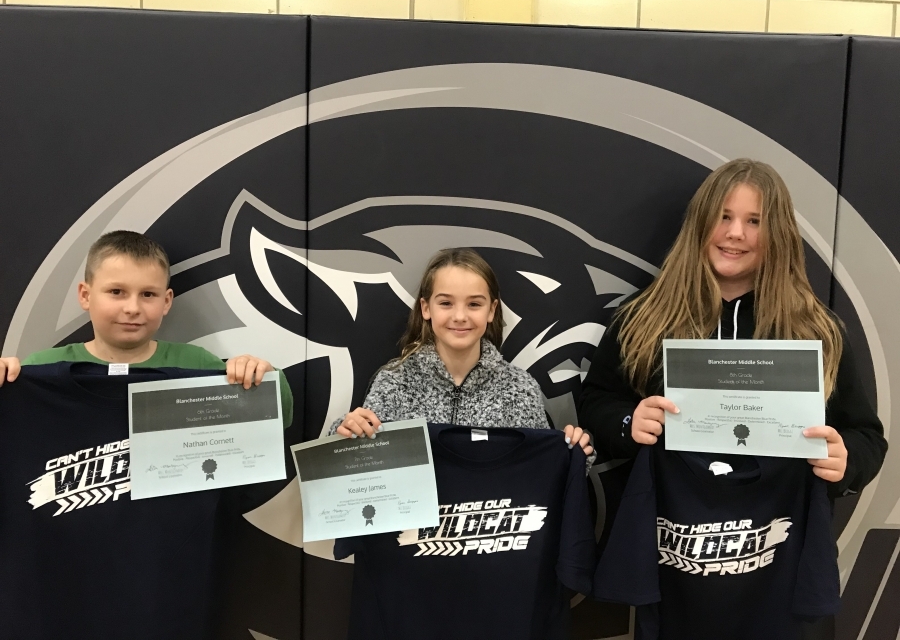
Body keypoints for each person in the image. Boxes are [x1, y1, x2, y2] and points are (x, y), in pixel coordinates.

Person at [578, 159, 886, 497]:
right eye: (724, 216)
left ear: (778, 234)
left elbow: (866, 436)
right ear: (700, 223)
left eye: (754, 221)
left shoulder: (815, 329)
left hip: (778, 533)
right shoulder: (642, 317)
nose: (735, 233)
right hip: (663, 531)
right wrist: (628, 423)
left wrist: (846, 460)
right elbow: (596, 401)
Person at [0, 230, 293, 425]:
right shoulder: (40, 369)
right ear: (86, 296)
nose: (132, 308)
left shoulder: (199, 364)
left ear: (166, 302)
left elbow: (277, 415)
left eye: (148, 295)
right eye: (116, 292)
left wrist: (259, 377)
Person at [330, 247, 592, 457]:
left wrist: (573, 452)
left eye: (474, 304)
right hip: (413, 526)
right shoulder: (394, 382)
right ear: (425, 308)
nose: (459, 316)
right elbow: (360, 461)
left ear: (491, 310)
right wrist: (345, 432)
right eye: (445, 303)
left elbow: (541, 471)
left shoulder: (521, 388)